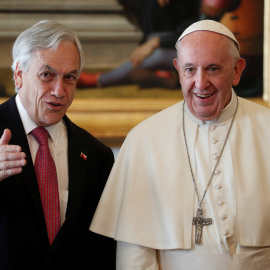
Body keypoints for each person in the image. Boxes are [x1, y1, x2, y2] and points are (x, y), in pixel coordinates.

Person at [90, 20, 270, 269]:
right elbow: (135, 251)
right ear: (177, 69)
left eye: (213, 69)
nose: (200, 82)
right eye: (190, 69)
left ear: (237, 70)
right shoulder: (144, 138)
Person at [0, 20, 116, 269]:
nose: (59, 90)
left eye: (70, 77)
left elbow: (103, 248)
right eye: (47, 75)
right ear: (19, 75)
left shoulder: (97, 155)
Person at [76, 0, 242, 90]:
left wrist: (155, 43)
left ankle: (99, 80)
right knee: (155, 36)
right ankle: (167, 77)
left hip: (206, 53)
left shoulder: (223, 11)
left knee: (157, 53)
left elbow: (198, 32)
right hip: (191, 45)